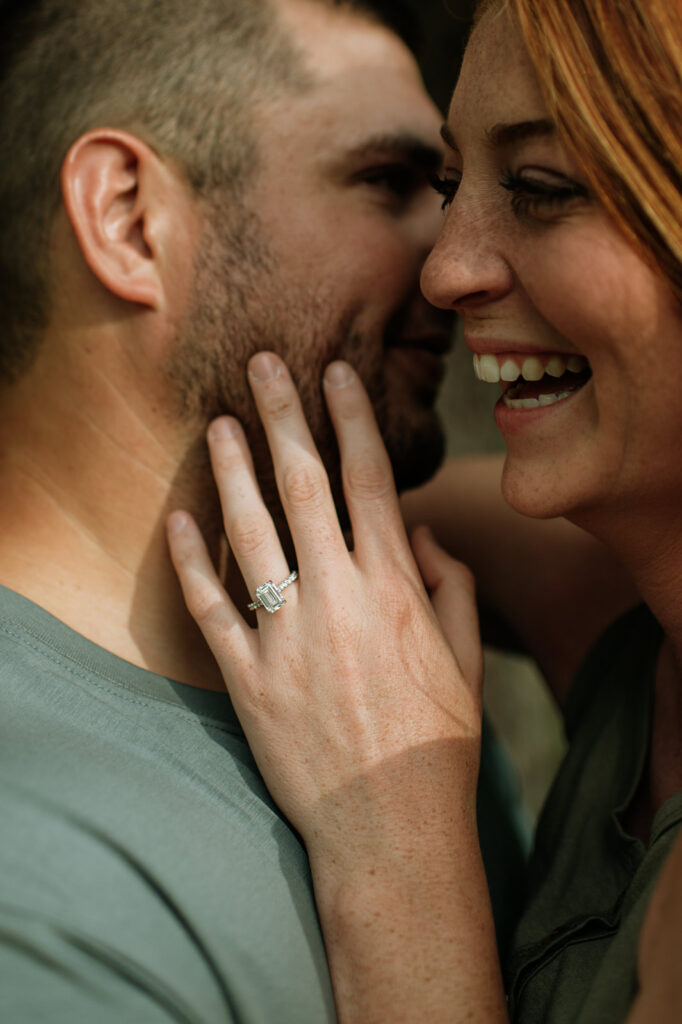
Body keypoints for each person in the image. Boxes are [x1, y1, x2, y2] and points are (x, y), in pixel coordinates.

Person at [0, 0, 534, 1019]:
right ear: (127, 218)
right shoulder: (29, 872)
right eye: (389, 183)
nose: (453, 264)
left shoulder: (387, 669)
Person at [168, 0, 682, 1021]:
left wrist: (399, 849)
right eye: (450, 183)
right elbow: (296, 529)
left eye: (540, 188)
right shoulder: (613, 604)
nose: (444, 269)